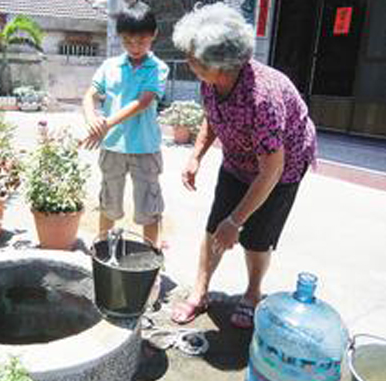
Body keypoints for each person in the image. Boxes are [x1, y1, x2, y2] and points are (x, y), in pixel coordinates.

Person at [170, 3, 317, 328]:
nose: (189, 63)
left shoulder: (261, 98)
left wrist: (236, 221)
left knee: (256, 236)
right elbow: (213, 117)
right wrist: (196, 156)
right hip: (238, 160)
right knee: (213, 227)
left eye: (194, 59)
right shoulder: (210, 81)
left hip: (281, 170)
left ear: (222, 65)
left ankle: (252, 293)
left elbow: (271, 171)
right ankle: (200, 291)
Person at [82, 2, 169, 248]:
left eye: (141, 41)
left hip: (145, 148)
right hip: (112, 148)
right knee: (109, 202)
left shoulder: (158, 68)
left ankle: (152, 256)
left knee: (148, 207)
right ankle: (101, 249)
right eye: (128, 41)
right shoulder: (110, 66)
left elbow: (143, 102)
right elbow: (89, 95)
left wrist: (106, 123)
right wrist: (92, 121)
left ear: (153, 35)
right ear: (120, 37)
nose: (134, 47)